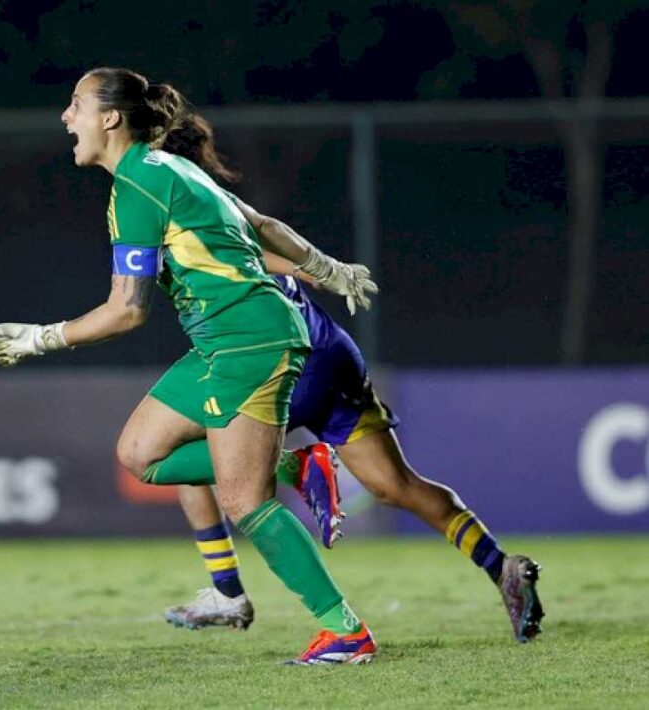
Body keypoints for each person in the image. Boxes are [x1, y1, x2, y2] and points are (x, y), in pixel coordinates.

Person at [0, 67, 379, 665]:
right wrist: (328, 268)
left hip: (251, 341)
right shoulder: (169, 168)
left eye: (75, 105)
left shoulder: (138, 185)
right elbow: (261, 226)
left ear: (110, 118)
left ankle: (344, 631)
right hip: (222, 343)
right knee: (140, 453)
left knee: (245, 501)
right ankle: (298, 465)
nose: (66, 117)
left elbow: (127, 311)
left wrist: (40, 339)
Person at [145, 119, 545, 645]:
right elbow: (270, 248)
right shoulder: (221, 210)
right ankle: (501, 566)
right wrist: (320, 269)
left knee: (174, 449)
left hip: (273, 363)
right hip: (331, 351)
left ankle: (227, 587)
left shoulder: (172, 212)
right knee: (395, 485)